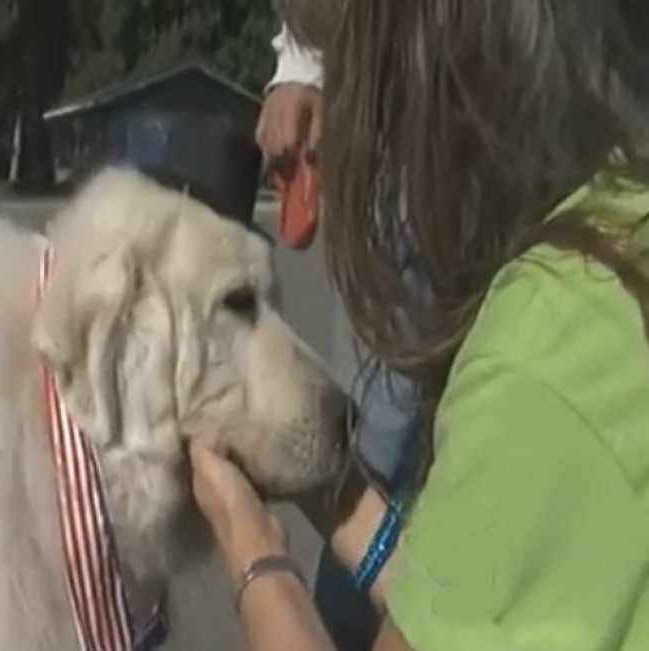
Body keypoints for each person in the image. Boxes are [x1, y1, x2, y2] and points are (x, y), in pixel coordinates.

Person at [192, 0, 649, 650]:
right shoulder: (609, 252)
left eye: (341, 78)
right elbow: (457, 592)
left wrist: (255, 554)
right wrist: (332, 490)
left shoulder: (534, 372)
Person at [255, 15, 421, 651]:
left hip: (509, 113)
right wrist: (302, 62)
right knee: (380, 439)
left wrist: (254, 551)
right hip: (397, 131)